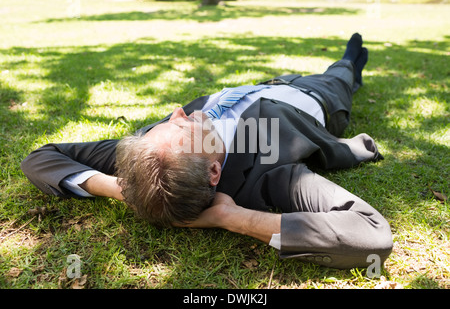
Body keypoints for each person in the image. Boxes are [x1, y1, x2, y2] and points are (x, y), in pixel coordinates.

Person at [21, 33, 393, 269]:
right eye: (184, 126)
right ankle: (351, 62)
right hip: (319, 97)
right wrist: (233, 218)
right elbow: (371, 234)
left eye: (170, 122)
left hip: (266, 83)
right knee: (345, 70)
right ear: (214, 173)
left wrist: (122, 188)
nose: (178, 113)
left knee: (343, 66)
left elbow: (39, 156)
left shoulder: (152, 152)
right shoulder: (269, 172)